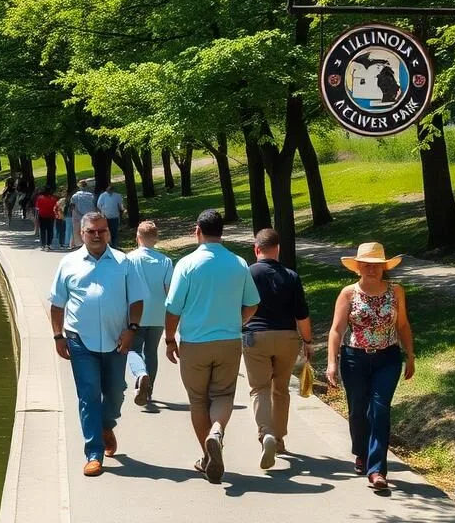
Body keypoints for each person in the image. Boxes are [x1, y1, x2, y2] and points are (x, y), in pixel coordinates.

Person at [49, 212, 148, 477]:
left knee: (116, 392)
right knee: (88, 394)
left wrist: (132, 330)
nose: (96, 235)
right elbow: (57, 304)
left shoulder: (123, 262)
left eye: (101, 231)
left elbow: (137, 300)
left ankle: (106, 425)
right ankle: (94, 453)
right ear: (82, 233)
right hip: (80, 340)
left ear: (108, 233)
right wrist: (58, 336)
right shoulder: (68, 263)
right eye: (91, 231)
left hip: (117, 341)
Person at [165, 210, 260, 483]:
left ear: (197, 230)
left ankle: (207, 456)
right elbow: (253, 302)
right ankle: (216, 431)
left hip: (195, 342)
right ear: (222, 232)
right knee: (223, 394)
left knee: (198, 400)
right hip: (228, 340)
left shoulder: (187, 264)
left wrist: (170, 338)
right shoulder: (239, 263)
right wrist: (236, 321)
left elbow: (173, 307)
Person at [326, 242, 414, 491]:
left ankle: (377, 470)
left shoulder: (396, 291)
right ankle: (361, 452)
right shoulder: (348, 293)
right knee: (357, 410)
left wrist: (410, 354)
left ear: (384, 267)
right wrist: (332, 362)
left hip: (388, 358)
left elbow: (404, 325)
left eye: (376, 265)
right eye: (366, 264)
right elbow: (336, 329)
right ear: (358, 267)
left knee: (380, 409)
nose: (371, 268)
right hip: (355, 358)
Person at [244, 228, 313, 470]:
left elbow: (240, 306)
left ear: (256, 249)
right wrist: (308, 341)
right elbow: (301, 314)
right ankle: (280, 439)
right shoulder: (291, 276)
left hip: (255, 336)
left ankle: (266, 434)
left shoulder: (248, 273)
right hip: (287, 337)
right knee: (281, 389)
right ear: (278, 249)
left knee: (259, 388)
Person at [126, 221, 173, 411]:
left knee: (132, 349)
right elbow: (169, 289)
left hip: (136, 313)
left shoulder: (129, 259)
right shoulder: (165, 261)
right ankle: (149, 389)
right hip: (157, 313)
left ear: (138, 237)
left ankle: (140, 374)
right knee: (151, 351)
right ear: (156, 239)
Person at [69, 180, 96, 249]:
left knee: (77, 230)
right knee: (88, 230)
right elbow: (94, 206)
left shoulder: (75, 196)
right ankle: (87, 243)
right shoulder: (91, 195)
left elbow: (72, 206)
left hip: (77, 216)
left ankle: (78, 244)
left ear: (79, 186)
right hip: (88, 216)